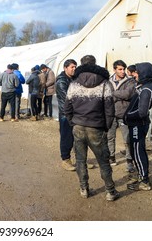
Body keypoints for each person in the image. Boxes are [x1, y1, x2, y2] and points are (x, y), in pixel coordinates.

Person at [64, 55, 119, 201]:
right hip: (96, 127)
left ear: (81, 65)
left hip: (78, 127)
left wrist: (73, 122)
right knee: (103, 161)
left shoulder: (74, 84)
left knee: (80, 160)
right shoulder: (105, 83)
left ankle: (84, 189)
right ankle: (110, 191)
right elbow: (109, 109)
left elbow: (67, 107)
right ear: (95, 64)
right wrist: (105, 127)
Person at [124, 62, 152, 191]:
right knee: (136, 151)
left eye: (136, 72)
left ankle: (144, 181)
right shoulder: (143, 86)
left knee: (137, 152)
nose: (134, 74)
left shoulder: (147, 89)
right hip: (136, 124)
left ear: (143, 73)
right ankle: (142, 176)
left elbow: (142, 112)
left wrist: (128, 116)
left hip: (138, 125)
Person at [107, 60, 136, 171]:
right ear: (114, 70)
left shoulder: (130, 81)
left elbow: (128, 94)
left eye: (124, 69)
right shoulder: (108, 81)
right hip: (111, 114)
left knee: (127, 139)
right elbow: (106, 96)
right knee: (110, 137)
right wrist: (120, 95)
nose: (123, 71)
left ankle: (129, 161)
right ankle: (111, 157)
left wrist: (113, 94)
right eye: (120, 69)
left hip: (124, 114)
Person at [56, 59, 77, 171]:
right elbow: (68, 99)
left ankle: (80, 160)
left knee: (78, 138)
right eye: (72, 67)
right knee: (66, 138)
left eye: (75, 67)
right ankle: (65, 160)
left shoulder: (73, 79)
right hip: (66, 114)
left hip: (76, 113)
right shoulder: (61, 81)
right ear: (65, 68)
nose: (74, 69)